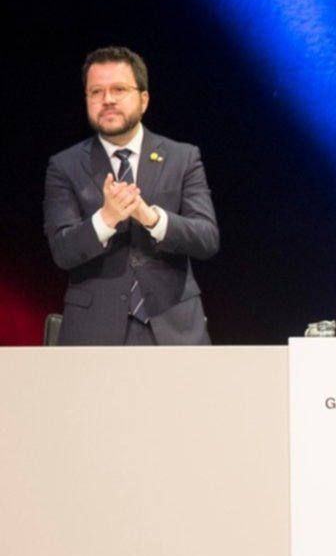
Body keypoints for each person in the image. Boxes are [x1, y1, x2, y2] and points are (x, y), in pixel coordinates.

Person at [43, 46, 219, 345]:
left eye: (119, 89)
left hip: (174, 329)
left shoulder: (183, 157)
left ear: (144, 99)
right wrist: (107, 218)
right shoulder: (64, 165)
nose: (107, 100)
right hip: (94, 334)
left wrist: (152, 218)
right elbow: (62, 251)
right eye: (96, 91)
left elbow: (206, 239)